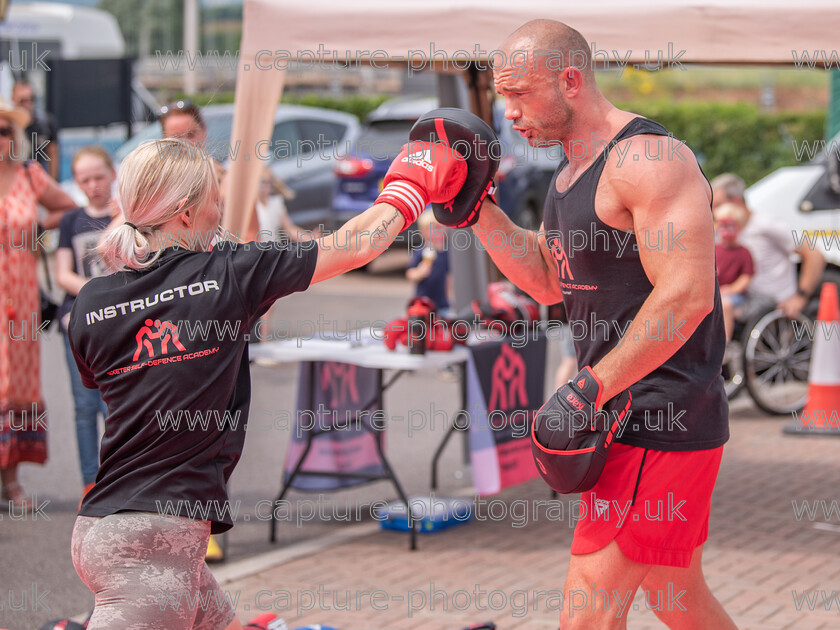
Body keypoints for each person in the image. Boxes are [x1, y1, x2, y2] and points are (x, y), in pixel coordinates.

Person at [67, 136, 465, 629]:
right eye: (216, 197)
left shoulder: (91, 302)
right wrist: (412, 180)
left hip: (107, 525)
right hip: (155, 540)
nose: (222, 210)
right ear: (186, 213)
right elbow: (360, 242)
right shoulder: (230, 273)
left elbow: (105, 382)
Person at [464, 20, 736, 628]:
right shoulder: (569, 172)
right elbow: (546, 281)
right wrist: (476, 211)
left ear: (570, 80)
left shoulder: (647, 158)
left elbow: (688, 293)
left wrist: (590, 386)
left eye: (521, 94)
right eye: (503, 97)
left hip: (656, 413)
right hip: (623, 412)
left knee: (587, 611)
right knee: (676, 595)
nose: (509, 114)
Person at [0, 95, 76, 511]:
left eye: (5, 130)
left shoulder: (30, 176)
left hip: (23, 299)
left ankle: (12, 481)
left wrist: (33, 229)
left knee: (17, 384)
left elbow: (69, 210)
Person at [55, 146, 118, 499]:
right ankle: (89, 483)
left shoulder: (126, 217)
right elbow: (63, 273)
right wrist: (96, 295)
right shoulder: (71, 221)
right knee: (84, 407)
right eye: (85, 180)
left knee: (116, 407)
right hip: (78, 326)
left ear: (113, 175)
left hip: (117, 328)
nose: (93, 185)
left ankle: (119, 478)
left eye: (99, 177)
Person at [711, 173, 826, 320]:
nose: (714, 212)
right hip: (746, 300)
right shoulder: (725, 233)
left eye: (718, 205)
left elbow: (814, 254)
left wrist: (800, 297)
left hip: (772, 305)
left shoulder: (766, 225)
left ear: (736, 201)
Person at [713, 202, 754, 341]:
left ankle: (724, 343)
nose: (725, 229)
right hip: (715, 292)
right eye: (722, 225)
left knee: (726, 305)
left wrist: (731, 289)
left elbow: (746, 277)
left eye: (730, 225)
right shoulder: (714, 249)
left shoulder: (743, 252)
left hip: (733, 296)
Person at [12, 79, 61, 180]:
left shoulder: (46, 123)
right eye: (23, 101)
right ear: (13, 99)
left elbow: (53, 154)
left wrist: (52, 182)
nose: (28, 104)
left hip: (39, 178)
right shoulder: (8, 126)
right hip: (14, 180)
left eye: (31, 99)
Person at [406, 210, 451, 314]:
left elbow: (449, 277)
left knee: (442, 327)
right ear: (423, 232)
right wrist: (419, 272)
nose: (438, 231)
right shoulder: (420, 252)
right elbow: (410, 273)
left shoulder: (447, 253)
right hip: (423, 302)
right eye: (434, 228)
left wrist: (450, 296)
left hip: (442, 303)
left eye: (441, 227)